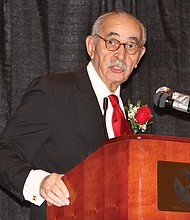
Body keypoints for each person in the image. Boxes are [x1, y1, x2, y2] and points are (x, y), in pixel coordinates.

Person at [0, 10, 146, 219]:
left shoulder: (124, 111)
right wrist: (40, 182)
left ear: (139, 56)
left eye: (131, 46)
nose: (121, 55)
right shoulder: (53, 92)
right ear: (91, 46)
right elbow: (4, 152)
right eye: (112, 41)